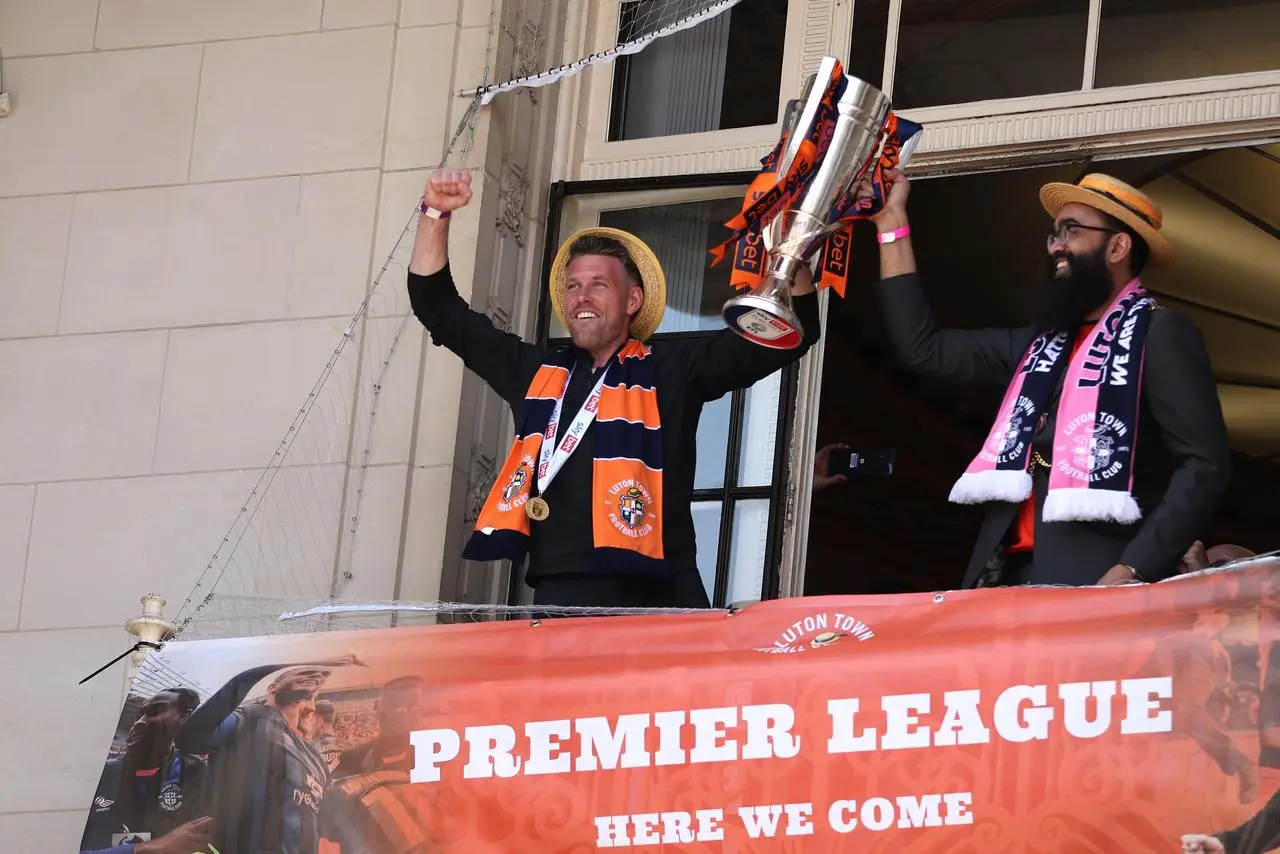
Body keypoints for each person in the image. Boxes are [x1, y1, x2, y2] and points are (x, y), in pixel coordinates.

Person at [407, 167, 822, 608]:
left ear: (632, 301)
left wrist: (789, 251)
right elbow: (440, 310)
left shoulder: (674, 369)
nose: (581, 297)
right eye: (573, 287)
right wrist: (435, 212)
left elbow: (786, 334)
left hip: (658, 600)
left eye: (598, 285)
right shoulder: (534, 371)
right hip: (558, 600)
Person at [870, 170, 1231, 587]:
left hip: (1100, 580)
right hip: (1004, 577)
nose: (1057, 246)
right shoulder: (1037, 344)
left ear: (1118, 245)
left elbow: (1204, 464)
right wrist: (890, 222)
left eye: (1071, 231)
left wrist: (1136, 567)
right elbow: (924, 348)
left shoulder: (1161, 333)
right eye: (1054, 235)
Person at [173, 657, 364, 854]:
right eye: (303, 695)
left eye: (311, 697)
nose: (308, 705)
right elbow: (189, 738)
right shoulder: (251, 717)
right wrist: (251, 675)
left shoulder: (316, 761)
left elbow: (322, 828)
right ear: (272, 689)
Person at [81, 688, 212, 854]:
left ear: (183, 719)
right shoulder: (97, 774)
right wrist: (145, 849)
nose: (140, 722)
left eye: (155, 712)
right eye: (140, 714)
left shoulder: (198, 775)